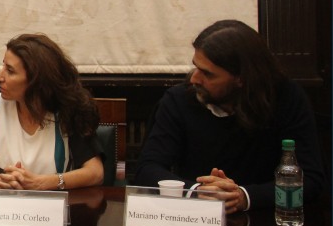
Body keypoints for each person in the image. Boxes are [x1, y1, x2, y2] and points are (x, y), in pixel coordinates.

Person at [134, 19, 325, 212]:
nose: (194, 79)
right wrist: (198, 192)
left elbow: (311, 180)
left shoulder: (286, 99)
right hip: (193, 220)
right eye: (195, 67)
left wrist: (243, 196)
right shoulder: (179, 99)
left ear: (241, 79)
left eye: (208, 74)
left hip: (265, 223)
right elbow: (147, 169)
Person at [0, 34, 104, 190]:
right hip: (5, 209)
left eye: (10, 71)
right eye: (3, 67)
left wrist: (42, 183)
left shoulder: (66, 110)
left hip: (51, 209)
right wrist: (1, 181)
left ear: (36, 80)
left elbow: (95, 173)